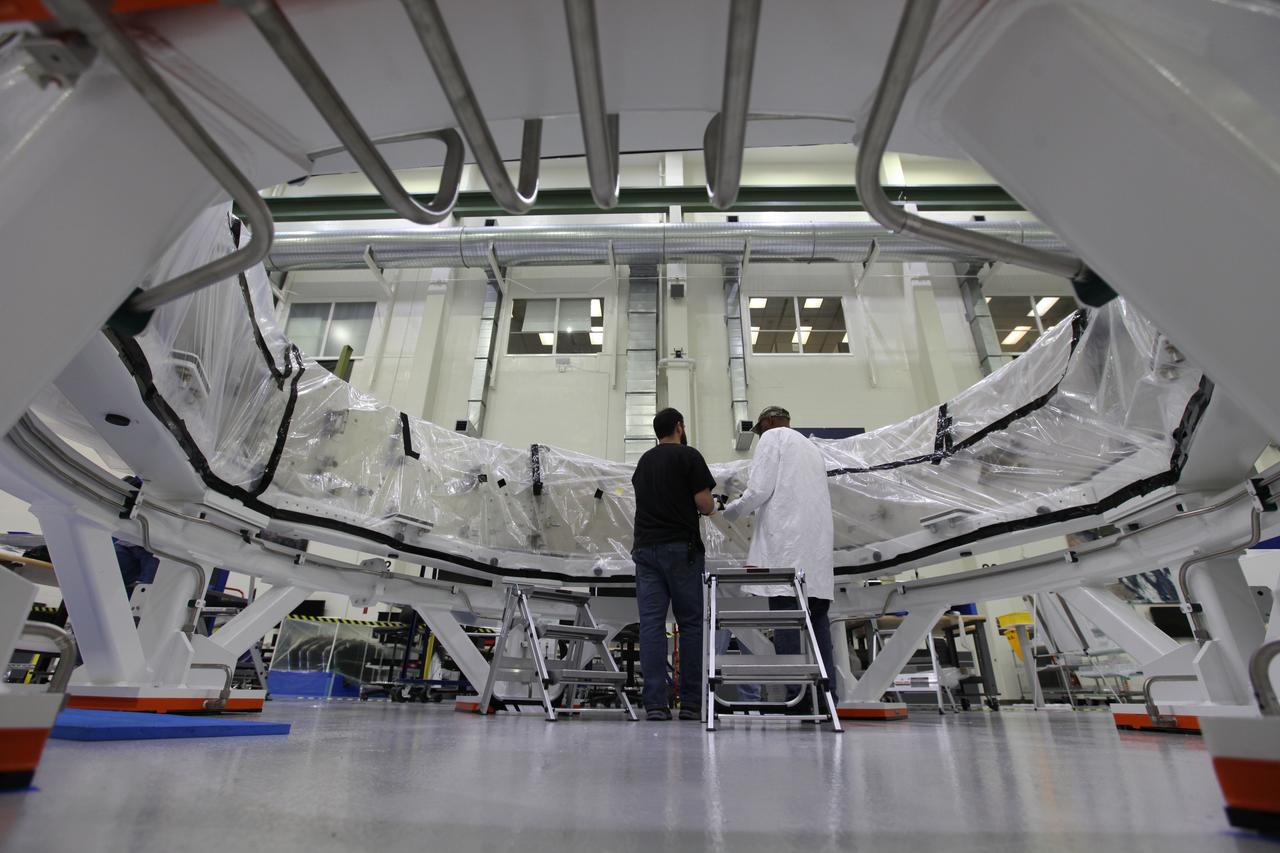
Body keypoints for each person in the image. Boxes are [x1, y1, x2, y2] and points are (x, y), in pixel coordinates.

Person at [721, 405, 838, 711]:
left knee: (788, 621)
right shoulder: (812, 449)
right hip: (816, 552)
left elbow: (759, 490)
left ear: (769, 422)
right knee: (818, 623)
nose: (760, 437)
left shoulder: (774, 439)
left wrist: (728, 513)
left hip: (787, 548)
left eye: (759, 431)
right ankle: (827, 699)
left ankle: (797, 698)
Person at [631, 407, 717, 721]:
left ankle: (655, 704)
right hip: (682, 550)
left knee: (651, 626)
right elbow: (705, 504)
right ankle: (692, 703)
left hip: (645, 551)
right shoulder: (689, 456)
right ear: (679, 427)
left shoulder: (644, 462)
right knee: (691, 625)